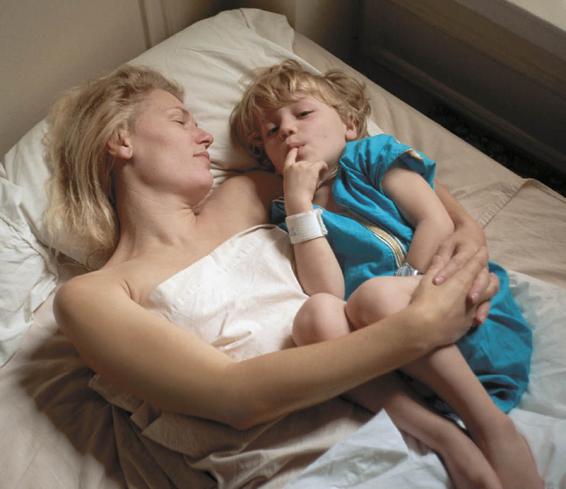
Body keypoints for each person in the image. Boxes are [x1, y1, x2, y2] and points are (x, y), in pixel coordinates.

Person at [45, 64, 499, 489]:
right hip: (311, 466)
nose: (205, 137)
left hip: (425, 416)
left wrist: (465, 229)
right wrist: (417, 328)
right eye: (181, 121)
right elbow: (234, 397)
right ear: (121, 140)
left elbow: (360, 166)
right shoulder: (92, 295)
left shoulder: (246, 194)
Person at [231, 59, 541, 489]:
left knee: (377, 297)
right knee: (315, 316)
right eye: (270, 131)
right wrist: (300, 204)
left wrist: (409, 289)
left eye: (302, 113)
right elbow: (327, 288)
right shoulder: (290, 211)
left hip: (452, 304)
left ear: (350, 124)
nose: (286, 130)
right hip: (392, 354)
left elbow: (436, 220)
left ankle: (491, 428)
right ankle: (445, 437)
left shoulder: (372, 157)